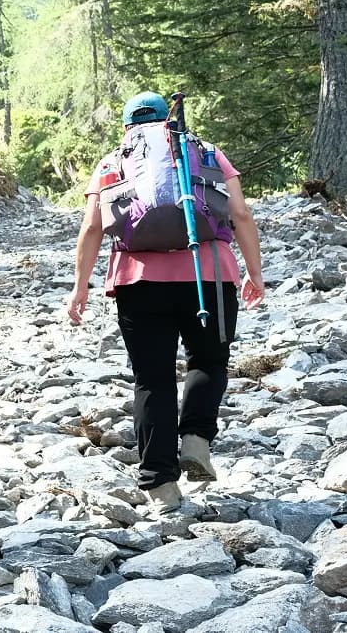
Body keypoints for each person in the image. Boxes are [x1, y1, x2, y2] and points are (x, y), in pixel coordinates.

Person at [66, 92, 265, 514]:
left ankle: (160, 486)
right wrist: (254, 273)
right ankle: (195, 440)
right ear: (170, 119)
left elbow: (92, 228)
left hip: (138, 282)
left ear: (127, 127)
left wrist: (80, 287)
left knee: (152, 380)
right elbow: (241, 214)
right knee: (208, 362)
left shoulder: (113, 161)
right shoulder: (206, 151)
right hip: (208, 273)